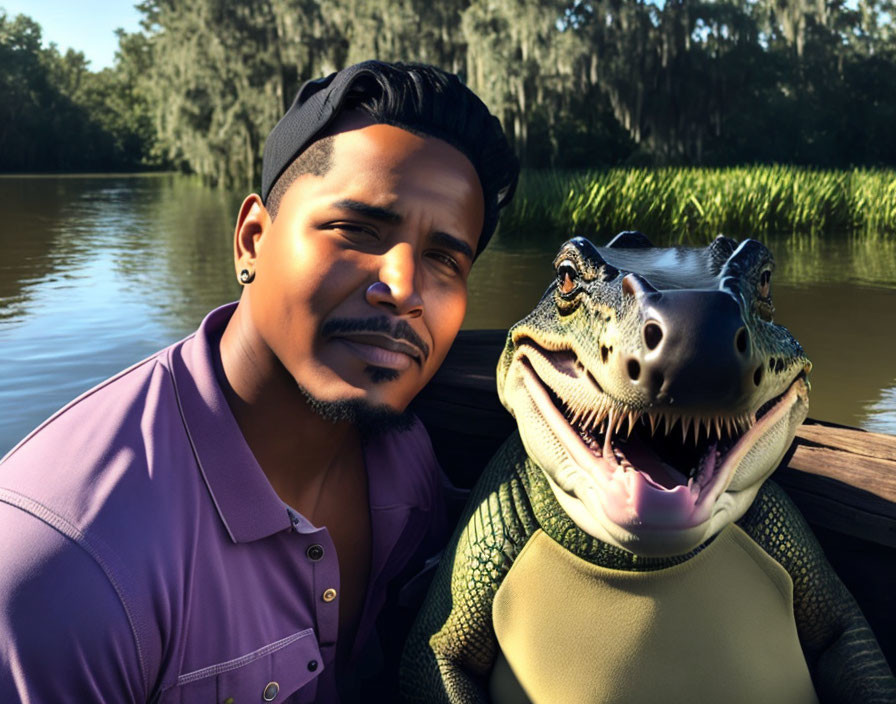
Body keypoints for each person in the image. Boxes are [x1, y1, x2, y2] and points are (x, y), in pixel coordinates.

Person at [0, 60, 519, 703]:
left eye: (444, 259)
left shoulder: (410, 454)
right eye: (356, 230)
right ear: (251, 240)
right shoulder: (66, 566)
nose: (406, 289)